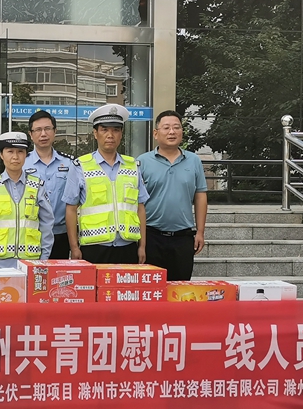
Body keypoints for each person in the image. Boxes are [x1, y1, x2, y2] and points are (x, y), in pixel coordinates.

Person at [64, 104, 149, 264]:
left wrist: (142, 246)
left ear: (121, 134)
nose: (110, 135)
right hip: (94, 247)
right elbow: (71, 209)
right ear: (95, 133)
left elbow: (140, 208)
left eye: (116, 130)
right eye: (104, 130)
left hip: (128, 246)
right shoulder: (80, 166)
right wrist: (74, 247)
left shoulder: (132, 166)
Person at [137, 110, 208, 280]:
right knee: (152, 288)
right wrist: (140, 242)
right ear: (156, 133)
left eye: (176, 127)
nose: (172, 132)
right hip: (151, 235)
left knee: (181, 289)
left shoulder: (193, 160)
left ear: (182, 132)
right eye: (166, 128)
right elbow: (136, 202)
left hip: (183, 237)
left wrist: (200, 232)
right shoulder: (142, 162)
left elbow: (200, 196)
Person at [0, 132, 54, 269]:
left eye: (20, 152)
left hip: (30, 262)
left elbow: (47, 225)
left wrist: (44, 259)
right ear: (1, 154)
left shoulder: (37, 186)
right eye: (10, 151)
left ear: (26, 155)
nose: (15, 157)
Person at [23, 109, 76, 260]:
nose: (43, 134)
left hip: (61, 234)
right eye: (38, 130)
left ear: (55, 131)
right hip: (30, 232)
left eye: (47, 129)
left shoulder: (69, 163)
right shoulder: (22, 163)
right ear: (30, 134)